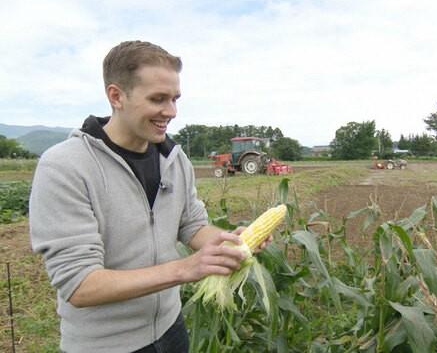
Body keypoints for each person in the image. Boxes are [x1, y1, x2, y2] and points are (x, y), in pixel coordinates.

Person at [29, 40, 269, 352]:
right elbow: (80, 285)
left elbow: (192, 225)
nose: (171, 112)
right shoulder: (65, 166)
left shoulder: (174, 159)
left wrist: (231, 243)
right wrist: (185, 269)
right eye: (158, 99)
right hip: (105, 345)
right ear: (116, 96)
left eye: (174, 98)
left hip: (171, 329)